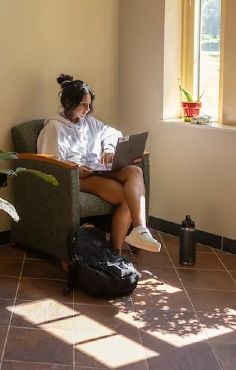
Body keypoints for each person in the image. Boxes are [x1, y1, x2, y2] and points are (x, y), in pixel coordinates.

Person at [37, 74, 162, 253]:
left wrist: (109, 148)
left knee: (134, 171)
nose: (87, 109)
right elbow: (49, 163)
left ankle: (140, 229)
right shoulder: (54, 128)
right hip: (74, 176)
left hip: (96, 169)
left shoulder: (90, 123)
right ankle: (116, 252)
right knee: (127, 197)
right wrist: (77, 169)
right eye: (83, 105)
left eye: (89, 105)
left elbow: (112, 133)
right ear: (67, 103)